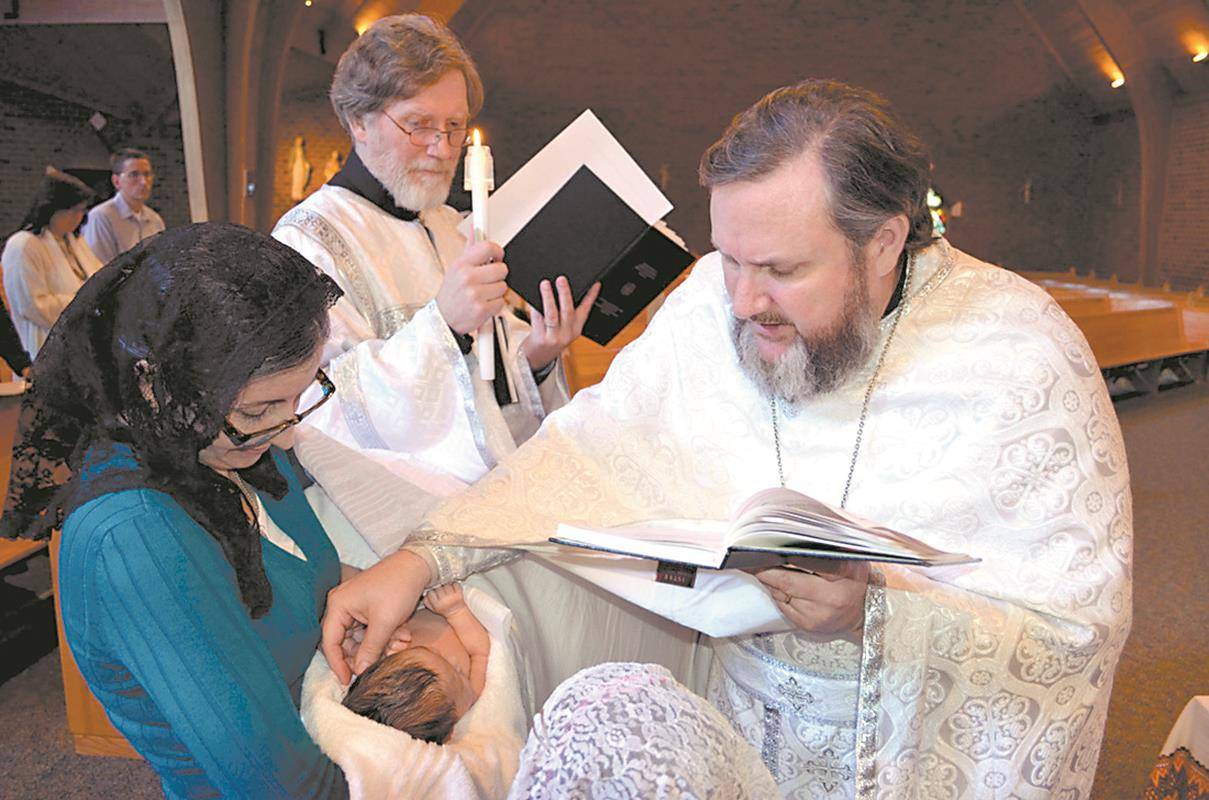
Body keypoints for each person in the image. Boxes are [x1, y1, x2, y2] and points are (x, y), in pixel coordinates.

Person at [324, 80, 1132, 799]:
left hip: (908, 765)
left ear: (883, 241)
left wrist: (873, 617)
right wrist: (421, 559)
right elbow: (591, 447)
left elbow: (1070, 636)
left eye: (779, 269)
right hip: (744, 738)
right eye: (727, 259)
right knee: (601, 718)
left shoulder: (1015, 352)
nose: (742, 301)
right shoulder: (715, 301)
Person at [2, 223, 350, 798]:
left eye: (300, 395)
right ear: (154, 385)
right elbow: (284, 788)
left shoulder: (233, 445)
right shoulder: (136, 537)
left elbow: (314, 581)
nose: (286, 436)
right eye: (262, 407)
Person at [274, 14, 597, 487]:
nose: (442, 149)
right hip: (384, 521)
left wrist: (538, 353)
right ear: (359, 121)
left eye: (454, 127)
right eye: (418, 125)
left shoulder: (455, 228)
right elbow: (314, 408)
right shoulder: (308, 241)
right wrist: (443, 324)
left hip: (488, 493)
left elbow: (491, 387)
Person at [342, 582, 489, 744]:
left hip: (420, 596)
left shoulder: (394, 658)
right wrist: (456, 612)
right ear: (451, 729)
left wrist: (390, 637)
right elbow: (480, 651)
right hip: (459, 606)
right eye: (459, 674)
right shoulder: (473, 692)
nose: (455, 663)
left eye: (428, 650)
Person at [1, 168, 103, 358]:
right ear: (51, 208)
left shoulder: (74, 241)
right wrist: (85, 300)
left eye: (82, 211)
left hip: (82, 343)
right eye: (73, 211)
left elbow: (101, 281)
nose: (78, 218)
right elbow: (33, 307)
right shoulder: (24, 244)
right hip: (43, 347)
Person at [81, 147, 166, 265]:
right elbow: (99, 270)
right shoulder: (101, 216)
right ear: (116, 181)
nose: (143, 182)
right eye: (134, 175)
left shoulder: (155, 219)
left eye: (147, 174)